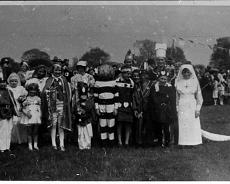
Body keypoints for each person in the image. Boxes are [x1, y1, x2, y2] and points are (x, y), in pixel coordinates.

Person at [42, 61, 72, 151]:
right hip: (52, 106)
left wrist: (67, 102)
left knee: (61, 125)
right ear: (52, 71)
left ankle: (62, 144)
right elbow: (44, 91)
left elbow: (68, 92)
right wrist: (48, 92)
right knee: (54, 125)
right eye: (56, 70)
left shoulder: (64, 80)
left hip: (62, 105)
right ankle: (54, 143)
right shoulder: (49, 80)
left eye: (59, 70)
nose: (58, 72)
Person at [175, 64, 203, 146]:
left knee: (192, 123)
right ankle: (183, 142)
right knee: (183, 123)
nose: (186, 74)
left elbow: (199, 97)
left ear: (191, 72)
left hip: (192, 104)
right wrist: (177, 108)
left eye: (187, 72)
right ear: (181, 73)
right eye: (184, 72)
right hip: (182, 105)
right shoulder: (178, 82)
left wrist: (198, 109)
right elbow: (176, 97)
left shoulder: (195, 82)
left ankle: (194, 141)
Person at [149, 70, 176, 147]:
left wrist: (166, 104)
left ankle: (167, 141)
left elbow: (172, 98)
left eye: (165, 79)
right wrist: (159, 104)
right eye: (161, 79)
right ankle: (159, 141)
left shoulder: (169, 87)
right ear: (158, 79)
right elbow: (154, 98)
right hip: (158, 109)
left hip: (167, 109)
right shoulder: (155, 87)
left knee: (166, 126)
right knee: (158, 126)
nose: (163, 81)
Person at [94, 64, 119, 147]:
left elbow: (116, 96)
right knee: (102, 124)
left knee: (111, 124)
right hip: (101, 106)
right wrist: (97, 108)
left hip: (111, 106)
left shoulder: (113, 83)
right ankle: (103, 142)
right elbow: (96, 97)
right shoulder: (97, 83)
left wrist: (116, 108)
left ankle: (111, 142)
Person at [7, 73, 28, 144]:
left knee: (20, 123)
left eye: (15, 81)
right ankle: (12, 139)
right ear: (9, 82)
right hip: (11, 108)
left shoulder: (21, 88)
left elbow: (25, 96)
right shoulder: (7, 89)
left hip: (20, 107)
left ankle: (21, 139)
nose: (13, 82)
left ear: (18, 81)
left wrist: (22, 99)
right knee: (12, 124)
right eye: (12, 81)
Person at [116, 66, 134, 147]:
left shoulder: (131, 82)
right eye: (126, 73)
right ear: (122, 73)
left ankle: (126, 142)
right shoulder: (116, 81)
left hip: (128, 105)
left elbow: (132, 94)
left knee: (128, 124)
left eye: (129, 73)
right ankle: (120, 141)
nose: (128, 75)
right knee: (119, 124)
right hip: (120, 105)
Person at [21, 83, 41, 151]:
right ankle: (30, 145)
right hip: (29, 116)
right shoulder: (26, 99)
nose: (32, 92)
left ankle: (35, 145)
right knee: (29, 131)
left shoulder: (38, 98)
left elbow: (40, 107)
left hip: (36, 116)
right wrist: (26, 113)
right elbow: (22, 108)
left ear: (36, 91)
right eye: (31, 91)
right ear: (28, 91)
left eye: (34, 90)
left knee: (35, 131)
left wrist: (40, 115)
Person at [0, 79, 18, 152]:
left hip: (9, 111)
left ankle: (8, 146)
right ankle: (2, 147)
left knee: (9, 129)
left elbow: (13, 102)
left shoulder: (9, 91)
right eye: (1, 83)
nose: (3, 84)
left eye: (4, 83)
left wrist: (14, 112)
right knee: (2, 130)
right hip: (1, 111)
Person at [74, 82, 94, 150]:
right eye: (82, 95)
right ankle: (81, 146)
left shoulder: (89, 102)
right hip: (80, 120)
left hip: (87, 120)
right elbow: (75, 111)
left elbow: (90, 111)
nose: (83, 97)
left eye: (85, 95)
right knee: (80, 133)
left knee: (87, 133)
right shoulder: (77, 103)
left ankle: (88, 145)